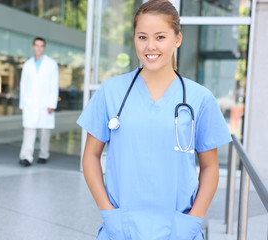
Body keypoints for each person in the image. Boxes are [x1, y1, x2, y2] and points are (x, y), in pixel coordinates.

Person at [76, 0, 232, 239]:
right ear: (134, 39)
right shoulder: (111, 92)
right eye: (142, 37)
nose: (150, 46)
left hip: (178, 229)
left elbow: (210, 167)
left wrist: (192, 222)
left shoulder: (200, 98)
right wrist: (108, 214)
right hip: (120, 227)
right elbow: (90, 156)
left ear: (177, 39)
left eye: (160, 37)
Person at [19, 37, 59, 167]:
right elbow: (23, 85)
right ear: (33, 47)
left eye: (41, 46)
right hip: (30, 103)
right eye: (36, 45)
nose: (38, 48)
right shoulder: (27, 64)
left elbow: (54, 85)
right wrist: (22, 104)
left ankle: (43, 154)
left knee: (44, 131)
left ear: (44, 48)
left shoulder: (51, 64)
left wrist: (52, 104)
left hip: (45, 102)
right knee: (29, 130)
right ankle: (26, 156)